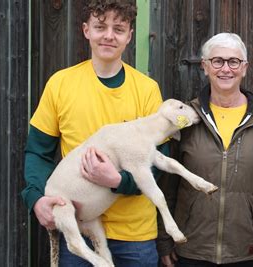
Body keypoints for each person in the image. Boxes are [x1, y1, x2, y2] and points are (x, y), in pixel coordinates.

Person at [21, 0, 164, 265]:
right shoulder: (61, 84)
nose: (109, 35)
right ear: (86, 30)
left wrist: (119, 181)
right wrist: (36, 198)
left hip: (135, 236)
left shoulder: (147, 91)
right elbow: (38, 152)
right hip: (78, 230)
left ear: (130, 35)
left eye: (118, 29)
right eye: (100, 26)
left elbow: (158, 161)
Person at [156, 32, 253, 266]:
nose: (226, 69)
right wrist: (163, 238)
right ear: (205, 66)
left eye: (234, 62)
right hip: (191, 247)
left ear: (245, 68)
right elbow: (168, 184)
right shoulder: (186, 119)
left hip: (249, 249)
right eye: (217, 61)